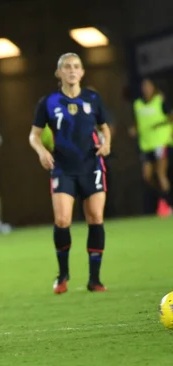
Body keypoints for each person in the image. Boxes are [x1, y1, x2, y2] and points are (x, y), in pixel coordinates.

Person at [28, 53, 111, 295]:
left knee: (95, 218)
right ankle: (63, 275)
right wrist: (41, 151)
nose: (72, 70)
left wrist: (106, 144)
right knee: (63, 220)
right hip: (63, 168)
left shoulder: (93, 98)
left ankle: (94, 280)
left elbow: (104, 129)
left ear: (82, 72)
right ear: (59, 73)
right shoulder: (49, 102)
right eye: (67, 67)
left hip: (91, 166)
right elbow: (34, 135)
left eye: (76, 66)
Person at [129, 78, 173, 216]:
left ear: (153, 87)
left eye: (148, 86)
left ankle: (169, 205)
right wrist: (134, 129)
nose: (146, 89)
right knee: (147, 176)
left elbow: (170, 117)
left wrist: (160, 125)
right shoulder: (138, 105)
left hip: (161, 142)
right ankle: (163, 197)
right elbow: (139, 122)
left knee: (161, 173)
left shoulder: (160, 101)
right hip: (146, 145)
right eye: (144, 86)